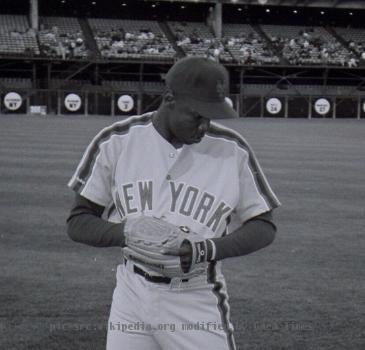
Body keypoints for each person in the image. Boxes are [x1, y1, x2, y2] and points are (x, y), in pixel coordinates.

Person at [66, 56, 281, 350]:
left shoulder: (232, 150)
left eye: (211, 116)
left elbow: (264, 225)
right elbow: (78, 221)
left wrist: (207, 248)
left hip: (194, 295)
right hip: (131, 292)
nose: (205, 125)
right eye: (197, 115)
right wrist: (127, 232)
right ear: (169, 98)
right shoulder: (116, 142)